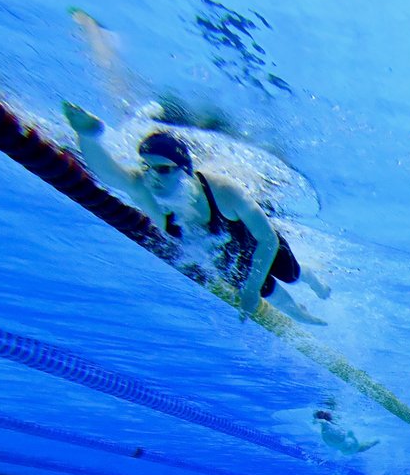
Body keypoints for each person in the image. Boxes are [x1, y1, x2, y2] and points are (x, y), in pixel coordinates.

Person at [61, 102, 330, 324]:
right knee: (272, 295)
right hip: (223, 255)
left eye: (163, 169)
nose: (152, 177)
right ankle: (299, 314)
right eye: (146, 167)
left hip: (259, 245)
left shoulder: (224, 191)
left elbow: (267, 240)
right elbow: (109, 174)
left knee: (291, 275)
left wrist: (249, 289)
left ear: (185, 170)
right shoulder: (145, 189)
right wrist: (87, 135)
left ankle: (312, 278)